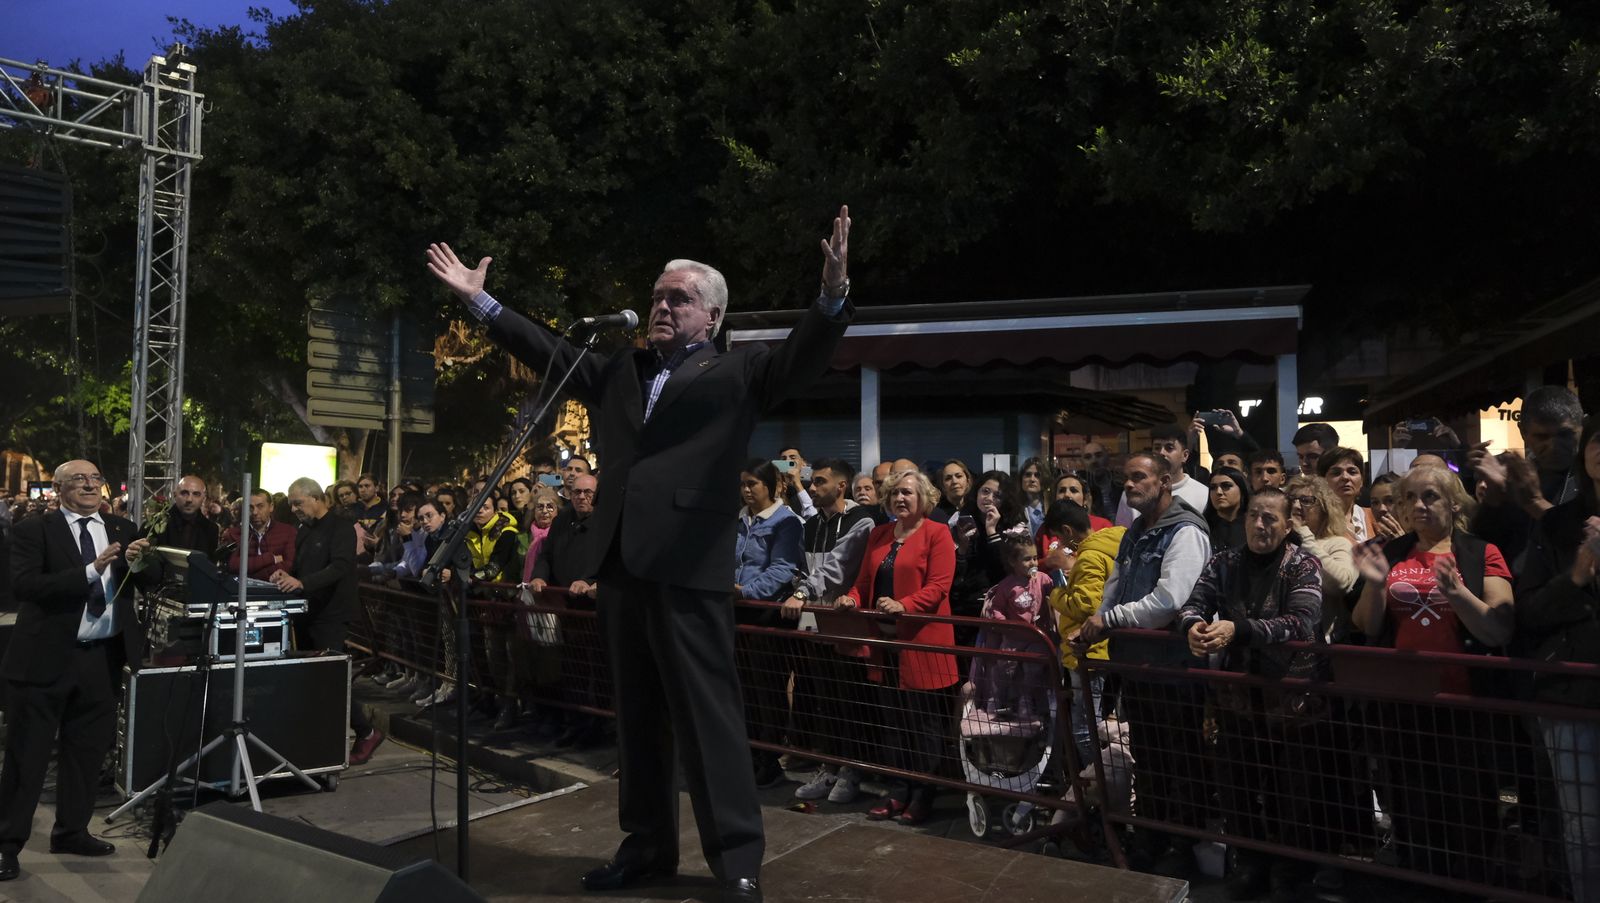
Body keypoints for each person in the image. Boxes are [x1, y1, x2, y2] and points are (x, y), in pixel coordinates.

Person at [426, 205, 852, 902]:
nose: (661, 304)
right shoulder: (619, 368)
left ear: (710, 315)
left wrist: (831, 298)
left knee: (708, 718)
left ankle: (737, 859)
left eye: (677, 297)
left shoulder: (739, 369)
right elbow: (549, 351)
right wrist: (480, 299)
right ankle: (646, 845)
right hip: (621, 563)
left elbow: (804, 356)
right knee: (640, 718)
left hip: (689, 566)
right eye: (657, 294)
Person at [0, 461, 165, 881]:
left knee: (86, 754)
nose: (90, 485)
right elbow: (25, 586)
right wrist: (91, 570)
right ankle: (5, 844)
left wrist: (140, 562)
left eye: (95, 479)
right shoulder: (34, 530)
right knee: (27, 757)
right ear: (58, 489)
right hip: (44, 660)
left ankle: (71, 831)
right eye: (79, 479)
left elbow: (152, 581)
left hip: (101, 659)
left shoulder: (122, 528)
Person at [1351, 465, 1515, 881]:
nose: (1418, 506)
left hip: (1464, 705)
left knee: (1468, 809)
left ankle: (1468, 885)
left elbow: (1498, 628)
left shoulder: (1480, 552)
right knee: (1410, 807)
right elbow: (1367, 627)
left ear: (1454, 503)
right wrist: (1373, 585)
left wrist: (1458, 593)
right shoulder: (1390, 552)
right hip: (1404, 706)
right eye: (1409, 498)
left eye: (1430, 496)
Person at [1176, 489, 1328, 900]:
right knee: (1236, 785)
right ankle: (1251, 864)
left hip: (1292, 700)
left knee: (1292, 793)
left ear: (1288, 524)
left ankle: (1291, 873)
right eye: (1255, 517)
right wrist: (1193, 626)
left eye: (1271, 519)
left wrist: (1237, 630)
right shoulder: (1224, 562)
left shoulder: (1303, 564)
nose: (1261, 525)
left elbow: (1301, 622)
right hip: (1237, 698)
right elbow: (1194, 602)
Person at [1080, 452, 1211, 865]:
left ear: (1166, 481)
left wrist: (1110, 619)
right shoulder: (1136, 529)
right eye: (1126, 478)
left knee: (1181, 761)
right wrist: (1097, 618)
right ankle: (1152, 835)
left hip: (1173, 668)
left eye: (1139, 478)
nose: (1129, 485)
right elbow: (1115, 585)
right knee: (1149, 758)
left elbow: (1170, 601)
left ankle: (1182, 845)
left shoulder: (1186, 531)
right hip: (1136, 666)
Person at [839, 468, 958, 827]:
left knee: (924, 724)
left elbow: (939, 586)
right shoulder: (878, 534)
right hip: (883, 644)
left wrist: (904, 605)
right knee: (892, 721)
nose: (900, 499)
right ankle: (897, 789)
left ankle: (922, 794)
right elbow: (863, 582)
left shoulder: (938, 533)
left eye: (907, 492)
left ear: (924, 499)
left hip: (922, 644)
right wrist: (852, 597)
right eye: (895, 493)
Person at [1513, 415, 1600, 903]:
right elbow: (1526, 611)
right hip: (1571, 695)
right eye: (1597, 438)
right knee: (1584, 829)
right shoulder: (1560, 524)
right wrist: (1577, 578)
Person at [269, 477, 384, 766]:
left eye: (298, 503)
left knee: (331, 677)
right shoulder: (304, 530)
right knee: (315, 679)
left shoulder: (341, 528)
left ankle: (366, 730)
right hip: (308, 612)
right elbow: (300, 567)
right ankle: (321, 737)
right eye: (292, 504)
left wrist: (302, 582)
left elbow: (341, 567)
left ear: (317, 498)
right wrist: (285, 576)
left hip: (331, 615)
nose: (294, 508)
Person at [786, 458, 875, 804]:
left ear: (841, 485)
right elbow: (805, 568)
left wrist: (803, 592)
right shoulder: (811, 525)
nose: (811, 488)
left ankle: (852, 770)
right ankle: (831, 767)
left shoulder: (861, 521)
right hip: (815, 620)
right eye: (812, 482)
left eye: (820, 482)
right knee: (825, 697)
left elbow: (839, 567)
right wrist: (801, 589)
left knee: (849, 698)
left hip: (845, 621)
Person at [732, 460, 804, 788]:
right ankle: (748, 753)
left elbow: (782, 569)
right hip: (736, 611)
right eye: (744, 485)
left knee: (767, 688)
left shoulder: (786, 522)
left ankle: (770, 756)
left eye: (753, 484)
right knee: (743, 686)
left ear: (769, 486)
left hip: (765, 611)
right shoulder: (740, 519)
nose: (747, 490)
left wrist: (745, 591)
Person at [1043, 502, 1123, 774]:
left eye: (1059, 537)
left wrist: (1054, 596)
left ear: (1067, 531)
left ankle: (1101, 783)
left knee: (1084, 726)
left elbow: (1085, 606)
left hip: (1090, 651)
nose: (1059, 544)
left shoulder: (1089, 557)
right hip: (1104, 649)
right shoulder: (1113, 541)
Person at [530, 473, 607, 746]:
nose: (582, 497)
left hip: (593, 611)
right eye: (576, 492)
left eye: (588, 492)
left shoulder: (606, 523)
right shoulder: (562, 521)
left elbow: (611, 562)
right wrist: (540, 576)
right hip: (564, 608)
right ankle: (574, 722)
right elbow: (546, 556)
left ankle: (595, 725)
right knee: (569, 669)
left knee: (595, 671)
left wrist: (589, 581)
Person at [1470, 385, 1586, 566]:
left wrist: (1535, 502)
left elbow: (1584, 544)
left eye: (1565, 435)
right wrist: (1494, 497)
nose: (1554, 446)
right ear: (1523, 432)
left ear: (1583, 426)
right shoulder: (1516, 476)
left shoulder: (1592, 474)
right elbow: (1487, 545)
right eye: (1542, 437)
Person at [972, 535, 1054, 721]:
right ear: (1012, 562)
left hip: (1037, 637)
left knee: (1033, 669)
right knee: (1004, 667)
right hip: (1014, 636)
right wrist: (1004, 625)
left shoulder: (1042, 580)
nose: (1032, 562)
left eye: (1034, 557)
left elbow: (1055, 592)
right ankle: (998, 700)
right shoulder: (1007, 586)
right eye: (1026, 559)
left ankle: (1027, 700)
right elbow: (996, 608)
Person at [1285, 475, 1359, 644]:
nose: (1296, 506)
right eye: (1291, 500)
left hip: (1322, 647)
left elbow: (1340, 583)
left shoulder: (1337, 543)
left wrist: (1303, 535)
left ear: (1324, 508)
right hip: (1283, 640)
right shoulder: (1280, 544)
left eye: (1306, 500)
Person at [1115, 425, 1209, 526]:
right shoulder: (1133, 490)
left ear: (1185, 455)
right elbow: (1122, 532)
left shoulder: (1203, 493)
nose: (1161, 453)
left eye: (1169, 448)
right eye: (1157, 447)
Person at [223, 488, 297, 581]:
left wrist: (251, 575)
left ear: (271, 507)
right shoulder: (233, 533)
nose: (254, 512)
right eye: (250, 507)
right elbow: (232, 566)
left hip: (277, 590)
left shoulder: (288, 531)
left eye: (260, 506)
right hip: (243, 592)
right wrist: (271, 559)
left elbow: (289, 565)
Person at [1317, 447, 1377, 542]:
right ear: (1322, 480)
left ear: (1361, 480)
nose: (1345, 477)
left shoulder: (1373, 515)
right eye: (1336, 473)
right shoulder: (1317, 521)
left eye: (1352, 472)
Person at [150, 473, 218, 554]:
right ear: (175, 494)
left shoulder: (211, 529)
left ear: (204, 498)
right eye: (184, 493)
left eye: (196, 494)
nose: (189, 499)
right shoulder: (154, 524)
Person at [1204, 465, 1251, 551]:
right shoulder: (1202, 528)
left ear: (1241, 489)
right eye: (1213, 488)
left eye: (1226, 486)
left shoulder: (1254, 525)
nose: (1218, 492)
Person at [1018, 457, 1051, 535]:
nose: (1032, 479)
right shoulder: (1014, 508)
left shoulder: (1051, 506)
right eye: (1028, 475)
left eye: (1037, 475)